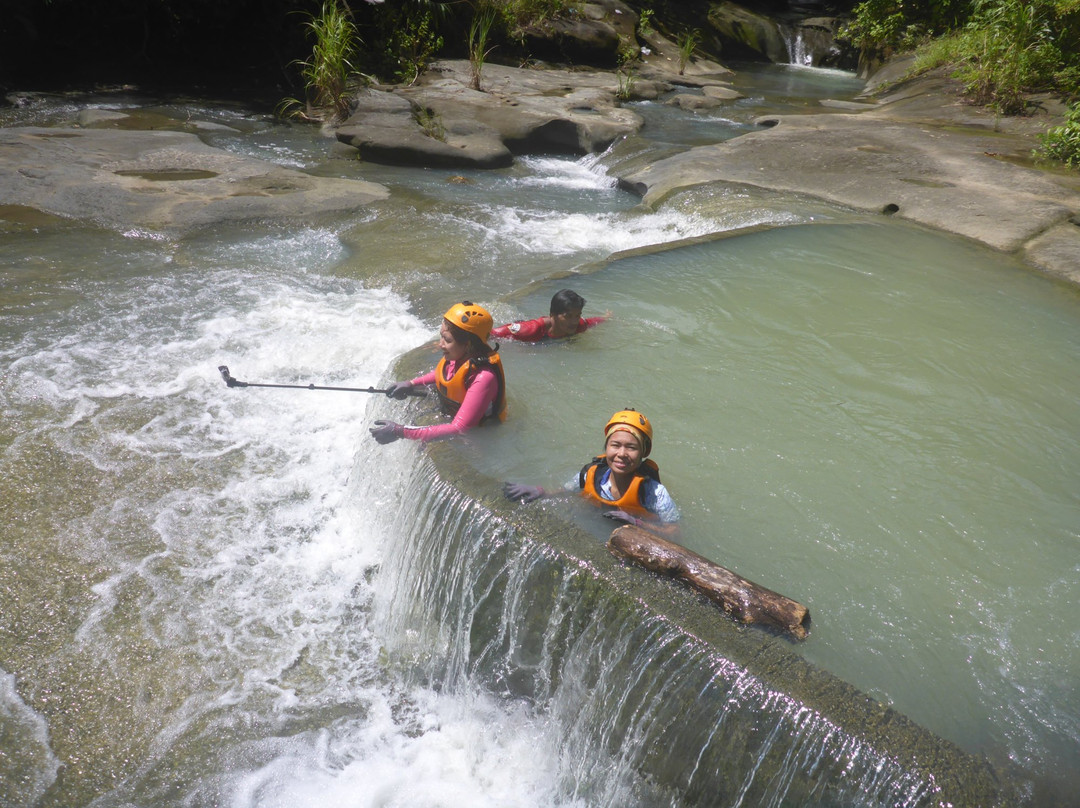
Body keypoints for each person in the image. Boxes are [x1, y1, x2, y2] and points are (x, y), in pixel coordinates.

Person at [503, 409, 680, 537]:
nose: (621, 454)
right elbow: (567, 491)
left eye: (631, 447)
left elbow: (674, 531)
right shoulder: (591, 475)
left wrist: (636, 523)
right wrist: (541, 491)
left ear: (644, 453)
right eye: (615, 445)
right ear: (606, 447)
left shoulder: (654, 494)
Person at [370, 301, 507, 444]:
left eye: (447, 340)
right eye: (441, 336)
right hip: (452, 411)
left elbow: (459, 429)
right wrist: (411, 384)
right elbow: (441, 375)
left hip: (480, 437)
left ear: (468, 344)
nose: (441, 344)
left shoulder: (484, 378)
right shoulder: (458, 357)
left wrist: (400, 431)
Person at [490, 289, 608, 342]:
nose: (574, 321)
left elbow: (592, 322)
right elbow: (492, 334)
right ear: (553, 315)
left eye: (577, 315)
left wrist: (606, 317)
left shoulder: (578, 325)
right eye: (568, 316)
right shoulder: (531, 329)